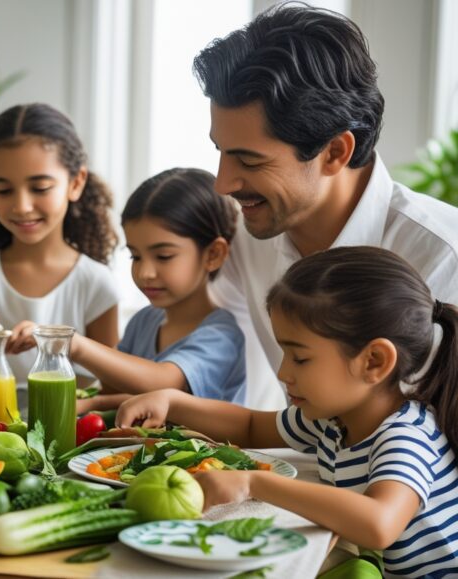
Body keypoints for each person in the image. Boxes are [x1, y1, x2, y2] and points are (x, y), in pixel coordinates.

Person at [117, 246, 458, 578]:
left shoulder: (404, 436)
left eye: (300, 358)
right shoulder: (331, 421)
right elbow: (249, 425)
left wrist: (253, 482)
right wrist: (172, 401)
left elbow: (378, 524)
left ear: (374, 361)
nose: (283, 373)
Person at [195, 4, 458, 410]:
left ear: (335, 151)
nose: (223, 183)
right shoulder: (247, 231)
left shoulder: (444, 258)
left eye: (249, 161)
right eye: (221, 152)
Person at [0, 103, 120, 385]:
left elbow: (112, 382)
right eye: (3, 190)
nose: (21, 206)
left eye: (40, 188)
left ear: (76, 183)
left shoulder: (95, 283)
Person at [72, 168, 244, 412]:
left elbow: (164, 384)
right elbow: (114, 387)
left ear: (213, 254)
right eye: (135, 256)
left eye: (164, 256)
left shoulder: (220, 334)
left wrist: (74, 345)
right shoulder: (144, 321)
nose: (144, 273)